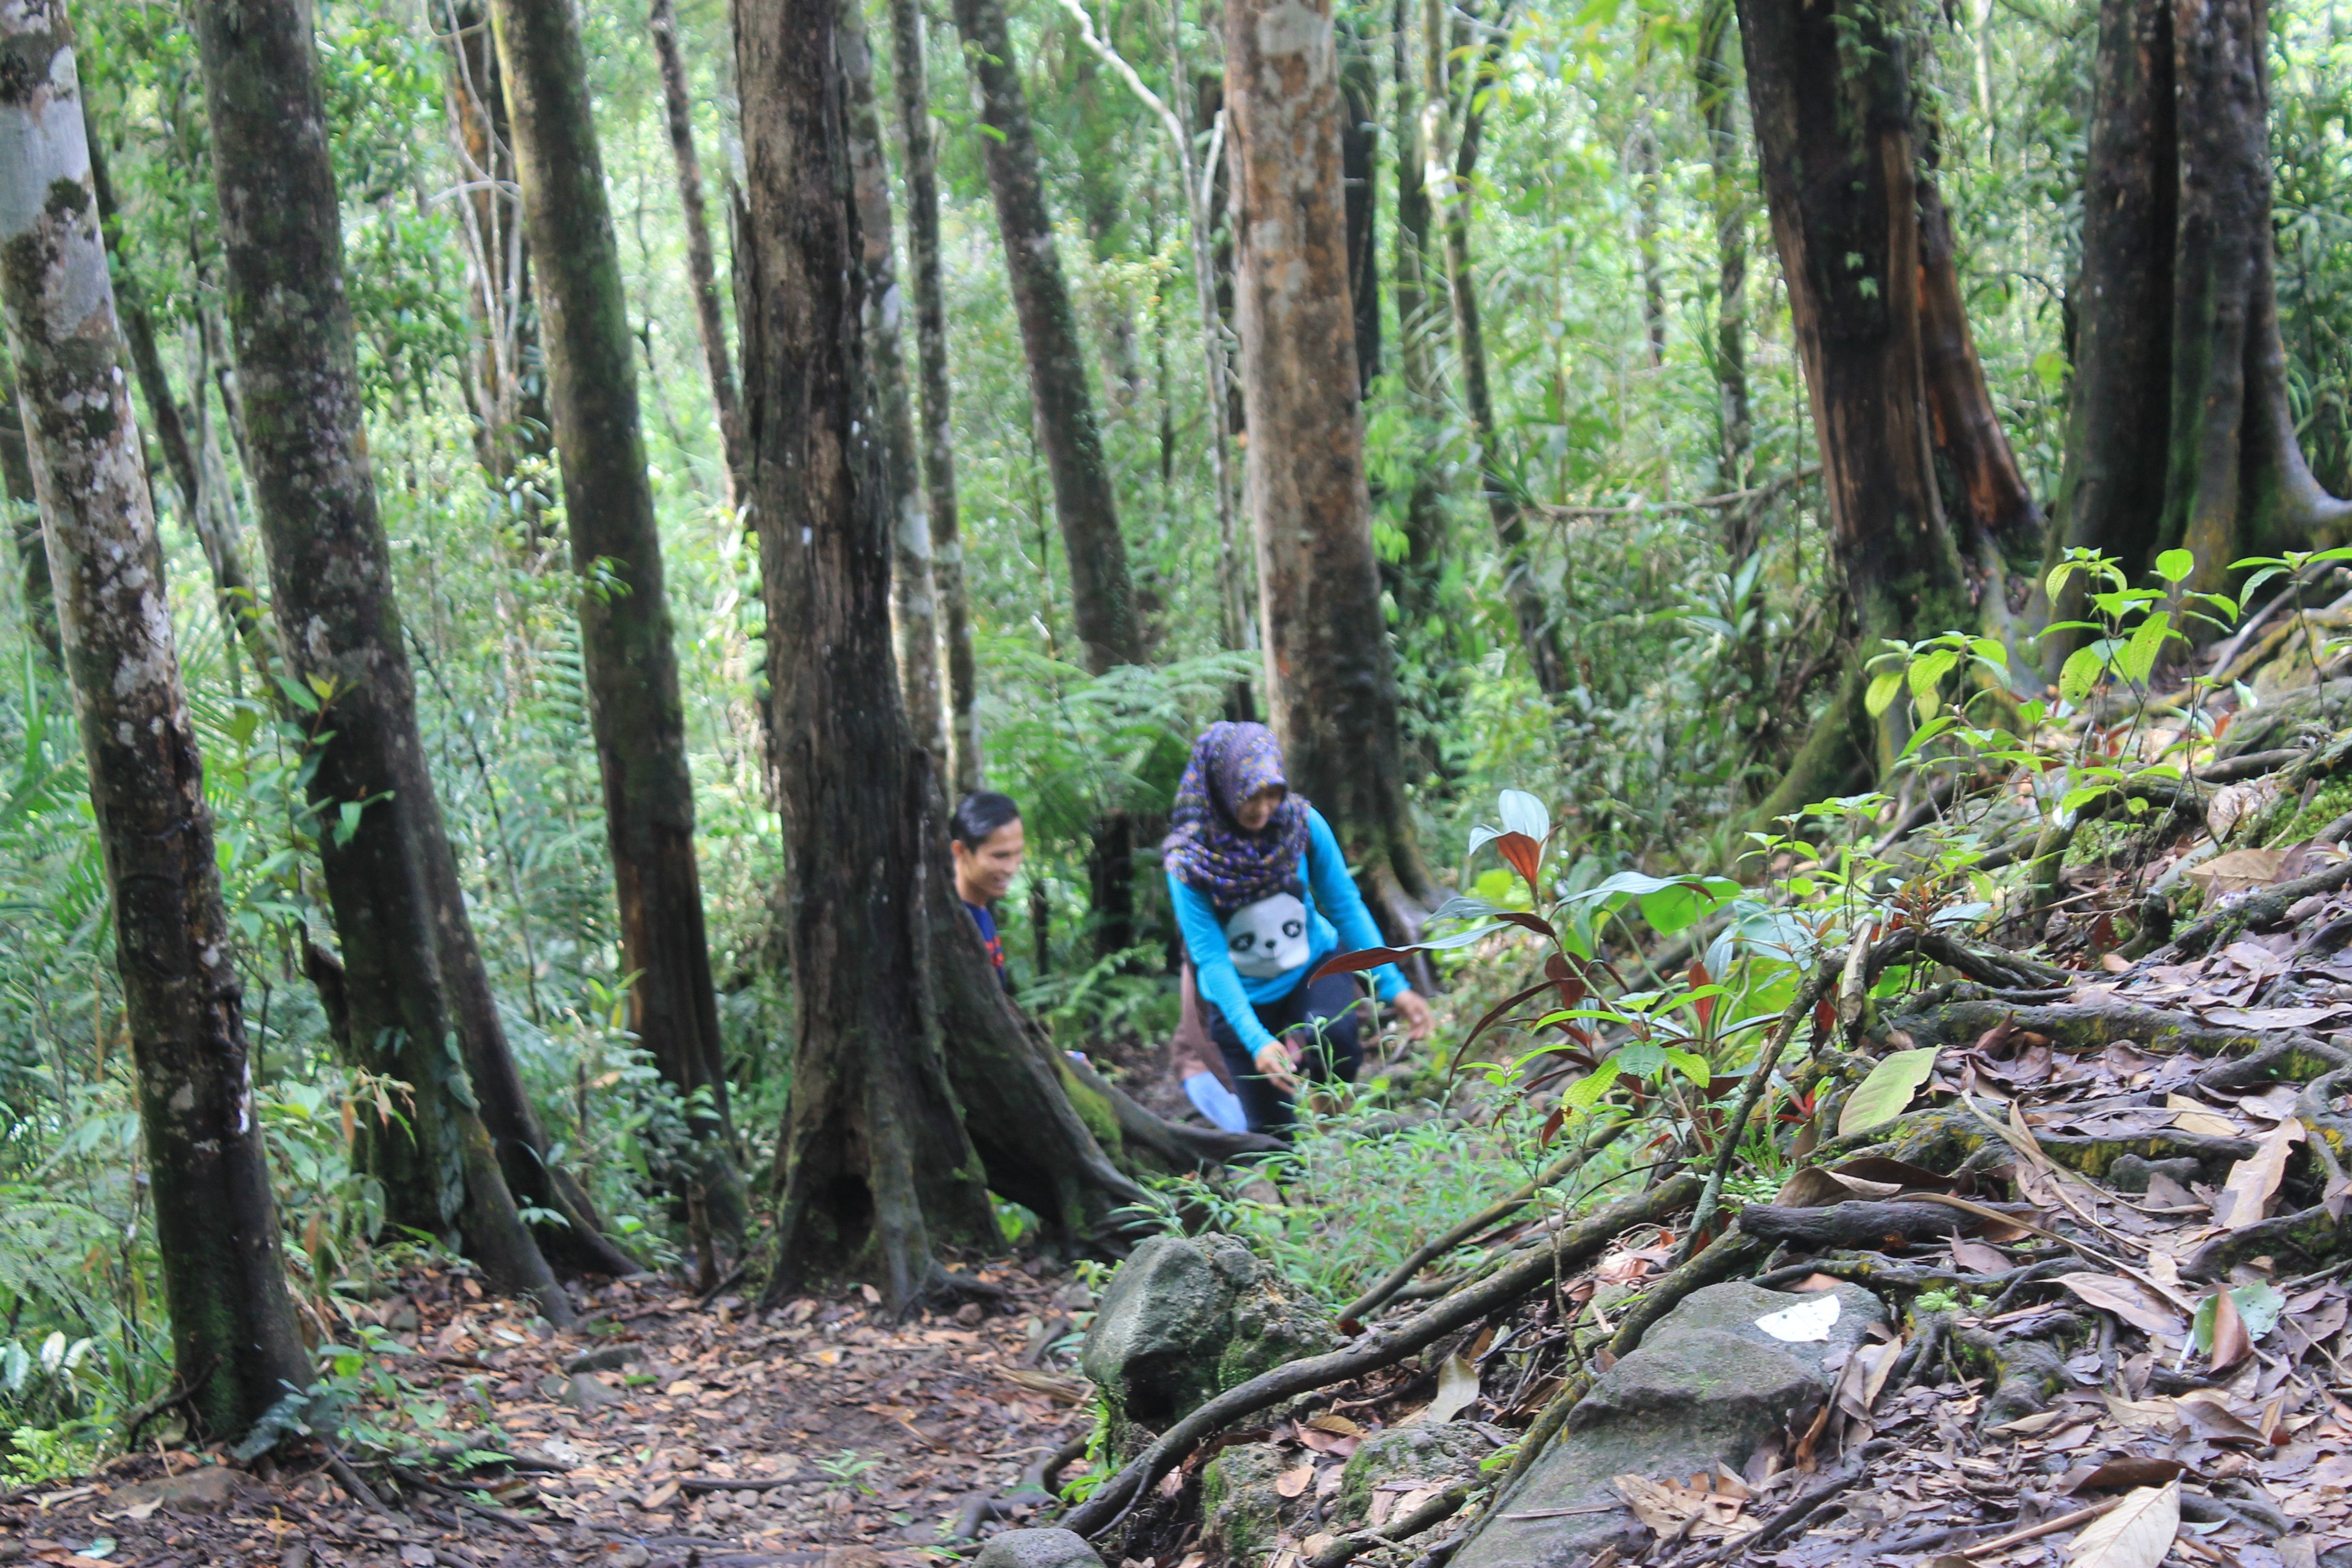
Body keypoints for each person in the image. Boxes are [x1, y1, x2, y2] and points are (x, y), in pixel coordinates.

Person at [1163, 722, 1433, 1135]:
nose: (1263, 807)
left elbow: (1345, 905)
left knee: (1337, 1037)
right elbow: (1211, 958)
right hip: (1241, 993)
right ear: (1221, 788)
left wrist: (1393, 986)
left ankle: (1337, 1128)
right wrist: (1257, 1042)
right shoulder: (1189, 861)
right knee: (1273, 1137)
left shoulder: (1302, 825)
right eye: (1250, 795)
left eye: (1272, 792)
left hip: (1311, 968)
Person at [951, 791, 1025, 987]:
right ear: (960, 851)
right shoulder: (952, 922)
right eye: (1000, 856)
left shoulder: (981, 909)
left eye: (1018, 853)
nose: (1011, 868)